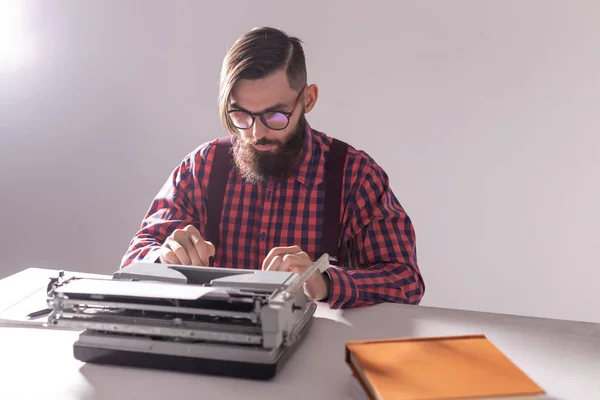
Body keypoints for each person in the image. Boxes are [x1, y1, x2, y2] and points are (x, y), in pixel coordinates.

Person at [120, 27, 425, 309]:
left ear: (308, 99)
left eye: (275, 116)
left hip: (315, 352)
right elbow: (133, 259)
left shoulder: (355, 176)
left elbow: (405, 282)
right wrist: (163, 257)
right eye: (241, 116)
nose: (256, 133)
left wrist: (326, 282)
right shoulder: (202, 168)